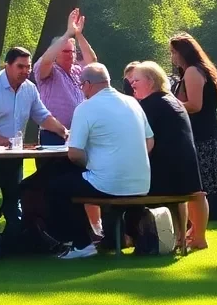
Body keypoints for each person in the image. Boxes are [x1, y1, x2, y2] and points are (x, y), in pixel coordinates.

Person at [0, 47, 69, 258]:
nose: (25, 71)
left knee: (14, 199)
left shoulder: (29, 89)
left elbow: (43, 115)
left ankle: (13, 245)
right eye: (20, 66)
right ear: (8, 65)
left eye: (28, 67)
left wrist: (64, 131)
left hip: (12, 157)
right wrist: (1, 142)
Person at [45, 64, 153, 259]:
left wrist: (92, 164)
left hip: (109, 183)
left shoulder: (85, 108)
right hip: (142, 181)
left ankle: (81, 243)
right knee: (75, 181)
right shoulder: (132, 102)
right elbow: (150, 141)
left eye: (81, 86)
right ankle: (106, 237)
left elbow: (74, 154)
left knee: (55, 186)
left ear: (87, 84)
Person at [129, 61, 202, 251]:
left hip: (165, 178)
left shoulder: (149, 105)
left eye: (136, 80)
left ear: (151, 82)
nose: (132, 84)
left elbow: (138, 141)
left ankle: (123, 238)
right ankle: (179, 239)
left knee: (120, 185)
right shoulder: (173, 102)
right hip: (187, 178)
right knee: (176, 196)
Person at [170, 33, 217, 249]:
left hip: (200, 136)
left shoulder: (193, 71)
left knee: (197, 188)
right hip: (200, 134)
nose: (172, 57)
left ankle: (200, 236)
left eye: (174, 52)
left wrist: (169, 106)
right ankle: (194, 232)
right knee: (194, 188)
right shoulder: (192, 72)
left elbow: (194, 105)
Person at [33, 8, 97, 145]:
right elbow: (46, 60)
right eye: (65, 51)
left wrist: (78, 34)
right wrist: (68, 33)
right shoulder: (50, 72)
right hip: (53, 133)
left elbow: (93, 62)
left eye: (72, 52)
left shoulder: (77, 71)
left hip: (78, 133)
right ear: (56, 53)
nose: (70, 55)